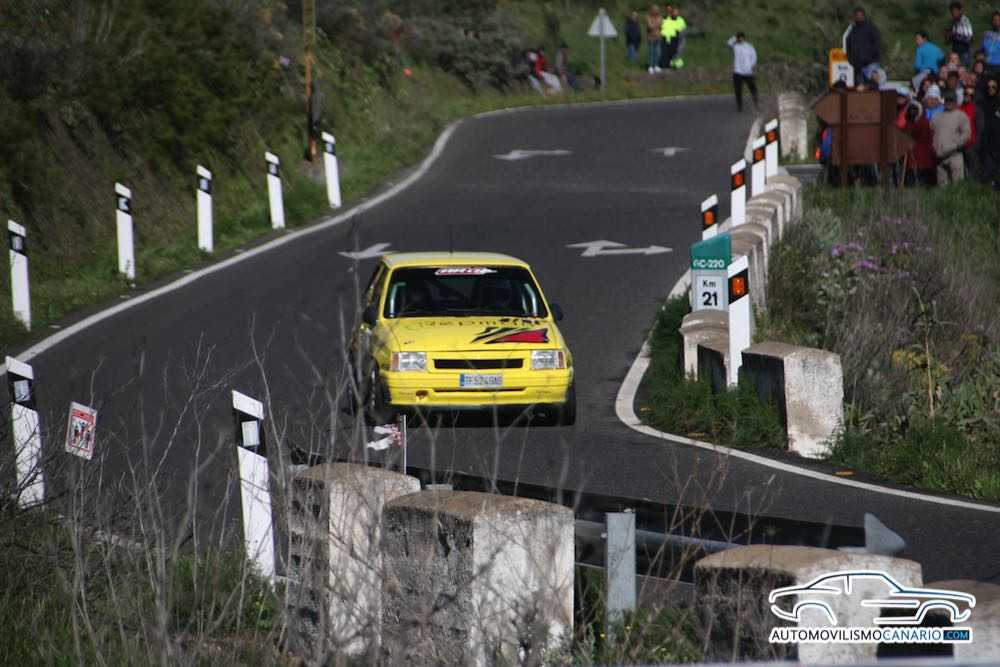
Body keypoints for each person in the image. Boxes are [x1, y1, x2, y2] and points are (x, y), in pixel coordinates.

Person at [931, 89, 972, 183]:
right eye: (947, 100)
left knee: (958, 186)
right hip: (940, 157)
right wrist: (934, 147)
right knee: (942, 187)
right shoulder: (937, 116)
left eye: (951, 100)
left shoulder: (961, 115)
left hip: (955, 155)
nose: (949, 102)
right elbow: (931, 133)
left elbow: (966, 135)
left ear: (956, 101)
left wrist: (955, 145)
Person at [846, 7, 881, 85]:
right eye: (857, 16)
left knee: (873, 87)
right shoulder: (853, 31)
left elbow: (877, 43)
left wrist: (873, 58)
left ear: (864, 16)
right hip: (858, 67)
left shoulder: (871, 28)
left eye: (860, 15)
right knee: (859, 88)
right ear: (854, 17)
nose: (859, 17)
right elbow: (848, 45)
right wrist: (851, 61)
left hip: (871, 65)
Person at [727, 33, 758, 112]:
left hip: (748, 72)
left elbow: (754, 57)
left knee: (753, 89)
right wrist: (735, 37)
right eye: (739, 38)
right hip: (737, 72)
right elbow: (728, 43)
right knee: (738, 90)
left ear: (744, 38)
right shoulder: (735, 46)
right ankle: (739, 106)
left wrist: (750, 66)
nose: (740, 39)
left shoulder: (749, 46)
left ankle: (756, 104)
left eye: (741, 38)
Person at [977, 78, 1000, 186]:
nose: (990, 89)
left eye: (993, 87)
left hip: (998, 138)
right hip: (985, 138)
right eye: (989, 87)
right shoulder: (982, 102)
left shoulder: (998, 102)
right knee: (987, 165)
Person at [945, 2, 974, 67]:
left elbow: (969, 39)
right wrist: (948, 35)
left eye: (956, 10)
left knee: (963, 70)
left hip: (964, 53)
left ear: (960, 10)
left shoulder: (964, 20)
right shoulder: (954, 22)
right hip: (956, 52)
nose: (954, 12)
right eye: (952, 11)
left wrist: (954, 35)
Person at [960, 82, 978, 177]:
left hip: (971, 144)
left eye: (971, 95)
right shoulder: (959, 108)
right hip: (960, 144)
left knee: (972, 170)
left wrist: (977, 144)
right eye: (966, 94)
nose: (968, 96)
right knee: (962, 170)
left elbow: (979, 127)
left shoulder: (976, 109)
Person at [646, 5, 663, 73]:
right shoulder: (648, 17)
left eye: (657, 10)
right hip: (651, 38)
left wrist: (654, 24)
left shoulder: (660, 17)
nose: (656, 11)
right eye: (655, 10)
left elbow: (661, 25)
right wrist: (657, 24)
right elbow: (650, 26)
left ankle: (656, 65)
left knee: (658, 52)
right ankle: (650, 66)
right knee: (651, 52)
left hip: (658, 37)